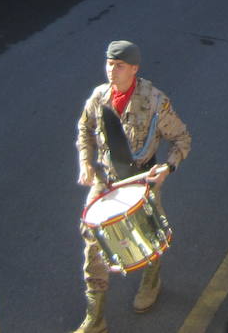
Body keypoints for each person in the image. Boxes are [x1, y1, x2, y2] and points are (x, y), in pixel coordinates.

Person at [73, 40, 191, 333]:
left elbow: (182, 139)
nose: (112, 70)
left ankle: (152, 281)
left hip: (141, 181)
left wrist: (168, 166)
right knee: (94, 241)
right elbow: (85, 131)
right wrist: (85, 162)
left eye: (120, 65)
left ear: (134, 69)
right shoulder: (100, 97)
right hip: (106, 181)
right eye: (109, 64)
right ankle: (95, 317)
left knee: (150, 236)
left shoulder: (154, 101)